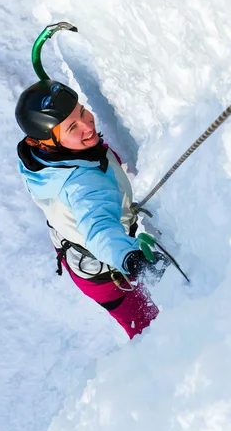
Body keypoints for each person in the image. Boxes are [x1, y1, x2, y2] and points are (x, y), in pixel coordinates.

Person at [15, 79, 164, 339]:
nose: (87, 125)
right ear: (46, 142)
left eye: (82, 111)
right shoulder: (85, 188)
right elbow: (99, 231)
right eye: (73, 126)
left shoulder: (41, 159)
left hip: (73, 245)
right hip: (108, 277)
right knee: (152, 330)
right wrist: (132, 258)